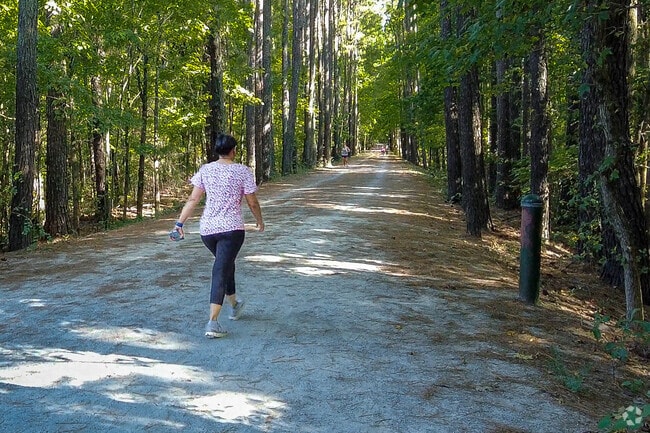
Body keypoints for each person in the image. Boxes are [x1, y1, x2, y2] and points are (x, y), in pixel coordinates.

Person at [171, 133, 264, 338]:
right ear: (233, 150)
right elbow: (252, 202)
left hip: (208, 231)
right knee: (221, 268)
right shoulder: (242, 171)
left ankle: (235, 304)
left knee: (225, 263)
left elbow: (193, 199)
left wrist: (180, 223)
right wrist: (259, 220)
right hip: (232, 230)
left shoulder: (205, 170)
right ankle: (212, 323)